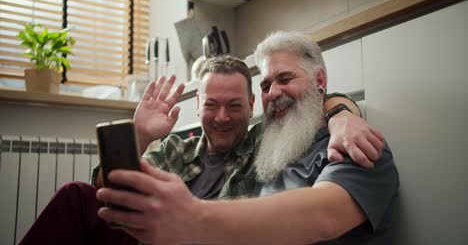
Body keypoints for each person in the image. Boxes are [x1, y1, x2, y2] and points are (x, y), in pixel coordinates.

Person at [20, 55, 383, 244]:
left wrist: (342, 115)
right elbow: (107, 188)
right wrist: (140, 135)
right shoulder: (176, 149)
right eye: (211, 105)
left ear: (253, 103)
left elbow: (307, 101)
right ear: (198, 107)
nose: (222, 117)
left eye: (235, 106)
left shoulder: (264, 142)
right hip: (140, 238)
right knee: (75, 196)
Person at [96, 31, 399, 244]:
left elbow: (322, 217)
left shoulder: (358, 146)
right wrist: (138, 136)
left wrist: (193, 216)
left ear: (320, 80)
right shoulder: (272, 152)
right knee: (76, 198)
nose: (274, 93)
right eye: (266, 85)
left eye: (285, 79)